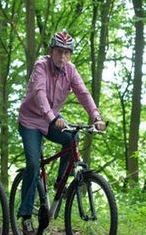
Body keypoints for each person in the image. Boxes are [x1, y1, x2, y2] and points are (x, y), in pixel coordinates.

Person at [17, 30, 106, 234]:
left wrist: (96, 117)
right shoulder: (41, 66)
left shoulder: (71, 70)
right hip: (31, 120)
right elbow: (39, 95)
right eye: (59, 52)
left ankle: (59, 183)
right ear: (51, 51)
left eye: (67, 53)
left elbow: (83, 93)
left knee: (72, 137)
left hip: (52, 119)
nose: (63, 56)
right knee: (32, 164)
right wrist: (52, 118)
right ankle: (26, 215)